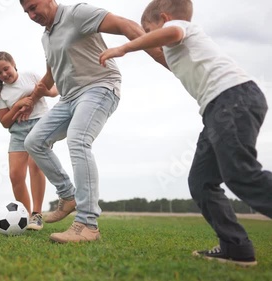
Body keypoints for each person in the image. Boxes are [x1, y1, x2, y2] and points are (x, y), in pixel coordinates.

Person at [99, 0, 271, 266]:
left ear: (165, 19)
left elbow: (172, 33)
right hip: (217, 110)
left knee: (240, 173)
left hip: (233, 99)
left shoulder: (181, 28)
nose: (148, 36)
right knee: (201, 182)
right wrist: (129, 32)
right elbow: (159, 53)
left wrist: (125, 47)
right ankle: (236, 248)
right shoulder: (178, 52)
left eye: (149, 29)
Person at [18, 0, 167, 243]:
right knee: (33, 141)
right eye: (27, 12)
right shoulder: (46, 38)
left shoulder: (77, 13)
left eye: (34, 7)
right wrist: (33, 98)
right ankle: (68, 196)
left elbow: (126, 25)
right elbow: (51, 73)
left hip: (100, 86)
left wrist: (163, 57)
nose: (31, 15)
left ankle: (87, 224)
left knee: (78, 139)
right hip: (69, 98)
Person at [0, 51, 58, 230]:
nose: (4, 75)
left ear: (13, 63)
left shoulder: (30, 76)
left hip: (40, 123)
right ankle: (25, 216)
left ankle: (37, 214)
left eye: (5, 69)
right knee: (15, 175)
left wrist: (41, 94)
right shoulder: (2, 93)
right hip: (18, 131)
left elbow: (54, 91)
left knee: (35, 165)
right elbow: (4, 122)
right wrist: (17, 105)